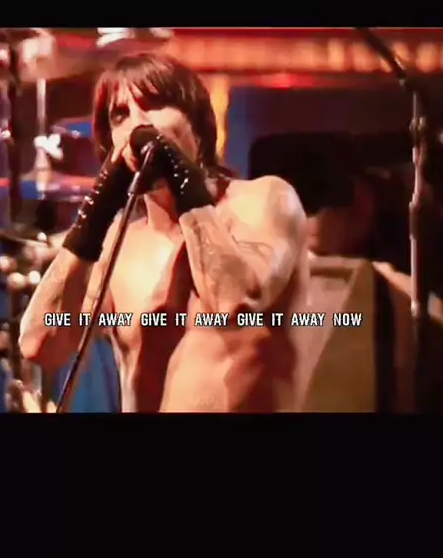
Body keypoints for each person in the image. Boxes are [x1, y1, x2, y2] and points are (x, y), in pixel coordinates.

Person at [19, 54, 309, 412]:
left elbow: (233, 303)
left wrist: (185, 185)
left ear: (197, 124)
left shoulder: (264, 200)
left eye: (154, 105)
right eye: (120, 115)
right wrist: (94, 216)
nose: (138, 125)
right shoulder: (120, 245)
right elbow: (40, 346)